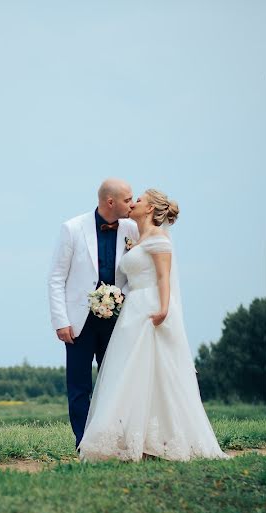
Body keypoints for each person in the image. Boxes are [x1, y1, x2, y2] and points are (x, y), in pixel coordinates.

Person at [78, 189, 229, 462]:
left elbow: (163, 277)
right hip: (133, 310)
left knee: (157, 371)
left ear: (149, 209)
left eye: (139, 200)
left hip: (149, 308)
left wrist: (163, 308)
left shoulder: (159, 238)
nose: (133, 203)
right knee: (130, 372)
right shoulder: (139, 238)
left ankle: (161, 441)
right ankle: (133, 439)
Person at [48, 178, 139, 449]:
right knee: (79, 387)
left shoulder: (133, 229)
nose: (132, 204)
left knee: (115, 384)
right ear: (110, 202)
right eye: (127, 199)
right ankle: (83, 443)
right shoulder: (72, 228)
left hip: (118, 320)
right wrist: (60, 321)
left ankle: (112, 440)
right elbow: (56, 278)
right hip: (79, 322)